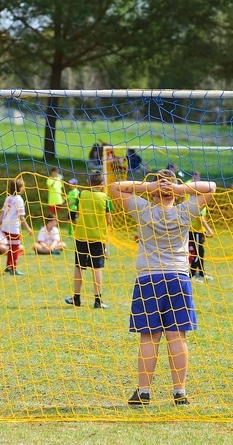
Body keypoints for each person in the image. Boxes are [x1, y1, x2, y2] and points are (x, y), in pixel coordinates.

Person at [110, 169, 216, 406]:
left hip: (149, 279)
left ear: (155, 191)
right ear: (175, 193)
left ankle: (144, 392)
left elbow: (116, 186)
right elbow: (211, 187)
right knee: (177, 336)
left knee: (149, 337)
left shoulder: (143, 209)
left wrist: (151, 187)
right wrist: (177, 189)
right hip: (178, 278)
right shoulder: (185, 210)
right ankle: (180, 393)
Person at [64, 170, 112, 309]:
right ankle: (98, 301)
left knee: (79, 267)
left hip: (81, 236)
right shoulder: (105, 198)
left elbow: (78, 212)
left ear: (87, 183)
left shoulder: (81, 194)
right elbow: (109, 220)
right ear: (102, 184)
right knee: (97, 269)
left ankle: (76, 298)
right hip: (98, 238)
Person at [0, 177, 33, 275]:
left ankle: (8, 266)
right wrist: (28, 228)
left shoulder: (8, 198)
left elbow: (2, 212)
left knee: (10, 247)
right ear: (20, 188)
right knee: (15, 248)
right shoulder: (19, 200)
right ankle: (13, 268)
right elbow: (21, 216)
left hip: (5, 226)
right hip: (13, 228)